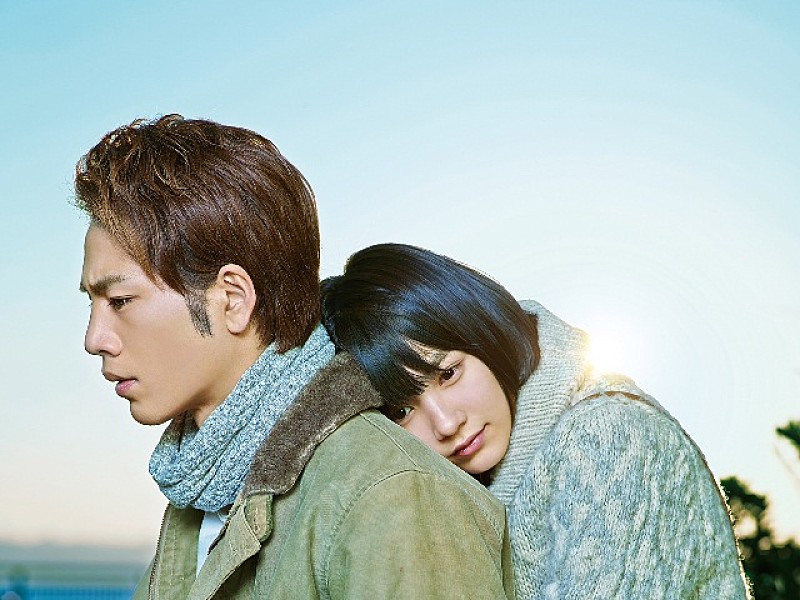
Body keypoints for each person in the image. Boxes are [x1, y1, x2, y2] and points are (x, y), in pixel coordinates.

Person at [75, 116, 515, 599]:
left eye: (120, 301)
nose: (95, 338)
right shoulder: (202, 488)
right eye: (91, 303)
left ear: (232, 299)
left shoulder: (391, 494)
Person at [321, 243, 751, 599]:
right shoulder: (454, 495)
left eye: (448, 373)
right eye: (401, 411)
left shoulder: (609, 436)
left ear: (484, 335)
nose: (446, 424)